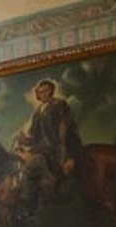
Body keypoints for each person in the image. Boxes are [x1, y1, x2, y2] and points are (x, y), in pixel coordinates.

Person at [14, 78, 84, 211]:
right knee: (20, 160)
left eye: (46, 91)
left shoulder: (60, 105)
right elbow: (36, 138)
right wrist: (25, 141)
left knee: (33, 164)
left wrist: (70, 156)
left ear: (52, 91)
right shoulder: (37, 113)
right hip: (43, 151)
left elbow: (68, 131)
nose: (43, 94)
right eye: (40, 92)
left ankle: (27, 204)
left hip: (58, 150)